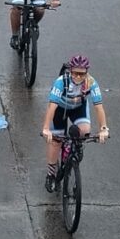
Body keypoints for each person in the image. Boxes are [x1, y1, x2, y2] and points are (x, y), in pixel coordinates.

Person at [41, 54, 108, 192]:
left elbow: (98, 107)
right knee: (55, 141)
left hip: (78, 108)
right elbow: (51, 107)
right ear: (70, 71)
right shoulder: (61, 82)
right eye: (75, 73)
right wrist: (46, 128)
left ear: (86, 73)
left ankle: (72, 146)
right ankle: (51, 173)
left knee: (84, 131)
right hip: (60, 109)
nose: (78, 77)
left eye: (82, 74)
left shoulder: (91, 82)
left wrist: (103, 128)